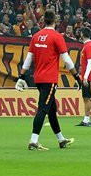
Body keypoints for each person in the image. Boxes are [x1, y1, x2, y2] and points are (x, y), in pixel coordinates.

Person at [15, 10, 77, 151]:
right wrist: (76, 76)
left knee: (52, 109)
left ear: (43, 21)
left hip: (38, 78)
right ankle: (34, 140)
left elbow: (29, 58)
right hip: (49, 79)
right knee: (43, 108)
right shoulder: (56, 37)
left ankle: (61, 139)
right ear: (55, 21)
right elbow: (66, 59)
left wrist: (21, 76)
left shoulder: (36, 36)